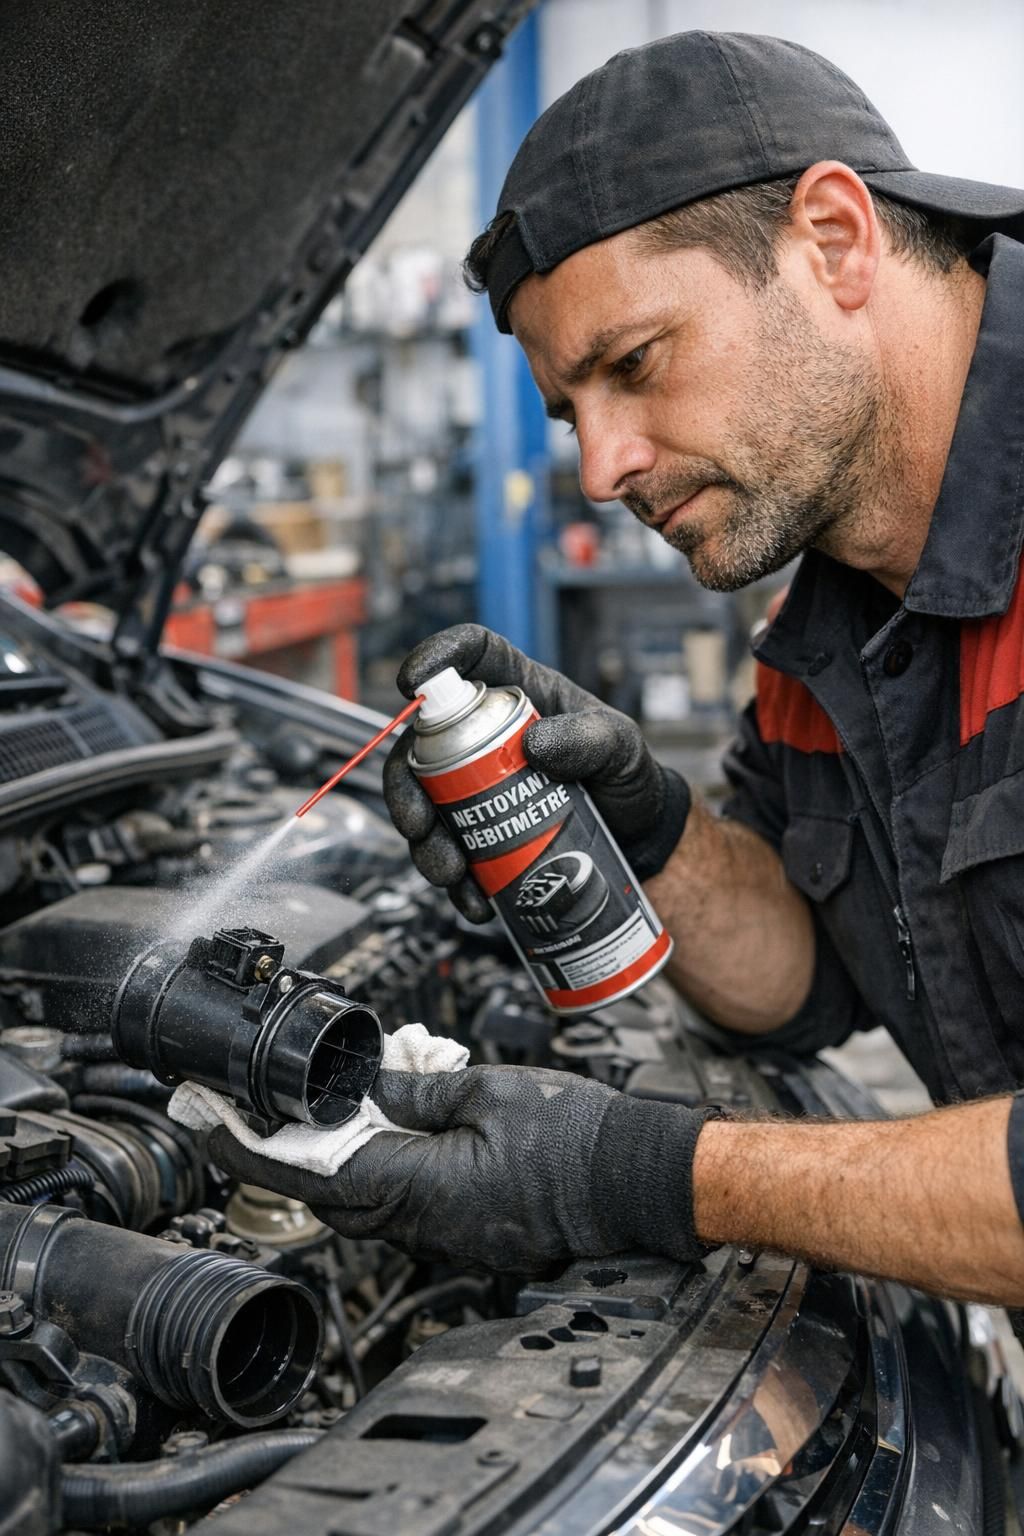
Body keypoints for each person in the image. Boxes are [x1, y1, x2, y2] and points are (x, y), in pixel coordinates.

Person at [212, 32, 1024, 1307]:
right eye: (568, 409)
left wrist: (649, 1176)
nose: (600, 469)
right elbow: (801, 981)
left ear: (833, 238)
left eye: (634, 365)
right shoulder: (828, 617)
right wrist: (642, 831)